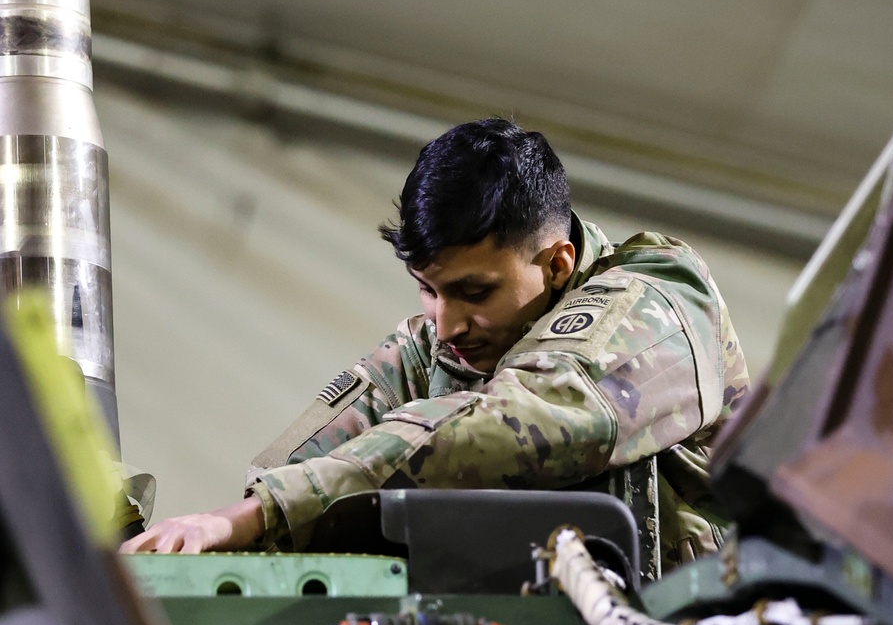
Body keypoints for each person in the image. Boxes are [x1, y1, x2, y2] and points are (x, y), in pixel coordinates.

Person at [122, 118, 749, 570]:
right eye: (427, 290)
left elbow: (533, 417)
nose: (446, 324)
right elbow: (296, 483)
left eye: (475, 292)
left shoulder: (659, 297)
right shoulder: (436, 350)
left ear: (558, 265)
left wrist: (256, 516)